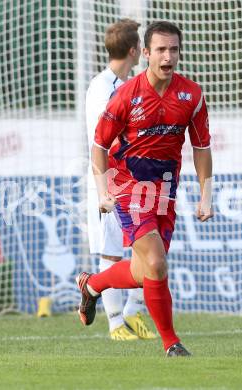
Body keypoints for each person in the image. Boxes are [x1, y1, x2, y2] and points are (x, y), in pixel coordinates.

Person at [77, 21, 213, 357]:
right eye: (161, 50)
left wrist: (205, 194)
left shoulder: (191, 95)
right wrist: (103, 190)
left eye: (174, 49)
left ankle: (92, 284)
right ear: (146, 53)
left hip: (165, 191)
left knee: (143, 272)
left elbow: (201, 148)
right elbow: (99, 145)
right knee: (155, 262)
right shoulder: (125, 95)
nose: (168, 56)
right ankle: (172, 343)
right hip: (129, 187)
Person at [85, 18, 156, 341]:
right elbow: (107, 138)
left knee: (151, 247)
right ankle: (115, 323)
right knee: (111, 249)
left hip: (137, 178)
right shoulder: (103, 87)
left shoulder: (134, 82)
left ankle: (133, 312)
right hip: (110, 178)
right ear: (133, 50)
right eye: (140, 45)